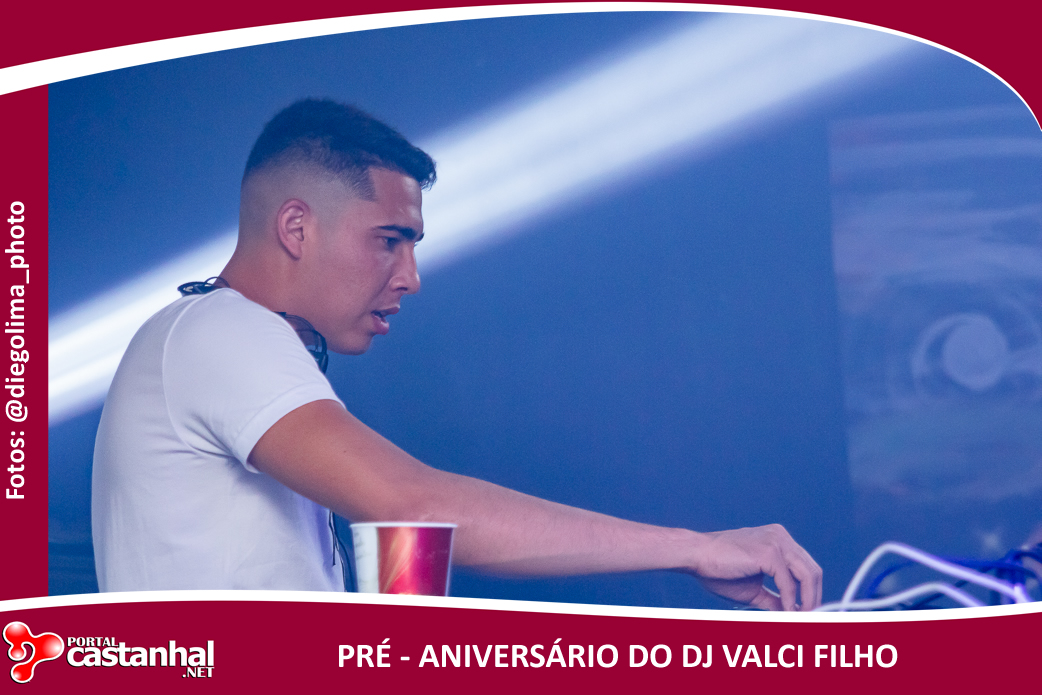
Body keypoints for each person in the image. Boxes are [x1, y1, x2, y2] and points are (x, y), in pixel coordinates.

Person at [92, 98, 822, 610]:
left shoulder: (238, 344)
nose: (410, 276)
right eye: (389, 240)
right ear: (295, 227)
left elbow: (400, 534)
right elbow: (416, 508)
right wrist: (694, 548)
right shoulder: (221, 331)